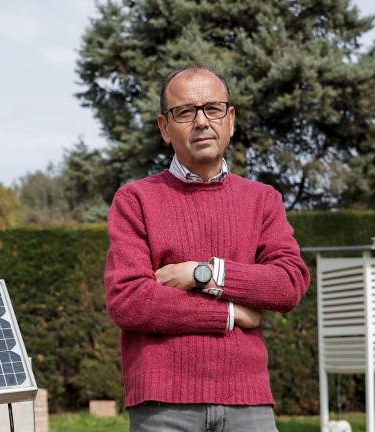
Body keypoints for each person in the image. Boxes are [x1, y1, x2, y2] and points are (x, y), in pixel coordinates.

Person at [103, 62, 311, 432]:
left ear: (230, 119)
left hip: (249, 403)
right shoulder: (135, 200)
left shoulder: (263, 200)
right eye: (185, 112)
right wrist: (231, 313)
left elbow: (289, 282)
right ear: (164, 128)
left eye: (212, 109)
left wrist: (204, 273)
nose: (201, 122)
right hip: (162, 407)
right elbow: (129, 299)